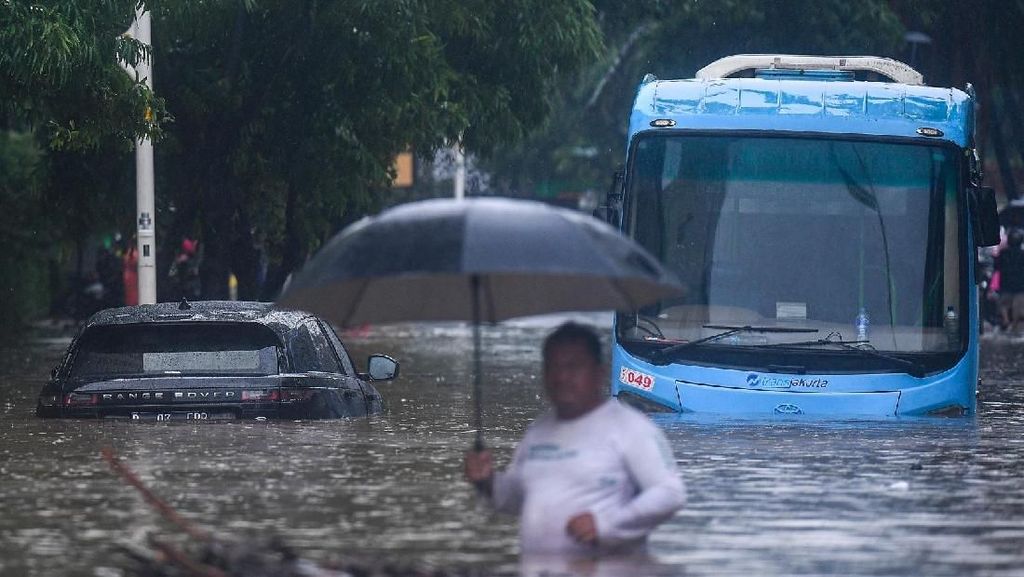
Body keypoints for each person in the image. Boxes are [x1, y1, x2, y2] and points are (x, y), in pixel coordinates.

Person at [463, 322, 686, 556]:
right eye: (552, 367)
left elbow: (669, 493)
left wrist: (606, 525)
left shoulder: (631, 428)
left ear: (599, 372)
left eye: (573, 366)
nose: (561, 377)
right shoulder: (538, 430)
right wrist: (487, 481)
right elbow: (519, 498)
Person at [996, 227, 1024, 334]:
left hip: (1006, 285)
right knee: (1019, 310)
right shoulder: (1022, 254)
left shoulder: (1003, 253)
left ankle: (1006, 320)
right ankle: (1014, 327)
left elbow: (997, 266)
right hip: (1020, 286)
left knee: (1003, 306)